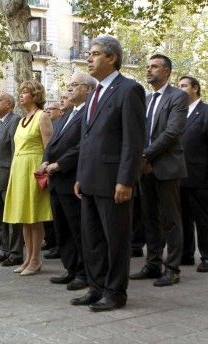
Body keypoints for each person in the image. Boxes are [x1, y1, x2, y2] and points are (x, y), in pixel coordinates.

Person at [72, 36, 145, 312]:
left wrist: (126, 179)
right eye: (89, 54)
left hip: (114, 180)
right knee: (92, 240)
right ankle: (97, 287)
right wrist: (80, 175)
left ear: (111, 58)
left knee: (115, 240)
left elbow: (133, 139)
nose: (89, 58)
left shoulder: (129, 90)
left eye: (94, 54)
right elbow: (87, 138)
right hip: (90, 179)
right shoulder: (95, 93)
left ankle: (115, 292)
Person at [130, 54, 188, 287]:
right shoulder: (144, 99)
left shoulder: (178, 97)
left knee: (171, 220)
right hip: (144, 169)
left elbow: (172, 133)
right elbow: (137, 131)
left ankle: (172, 268)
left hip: (166, 166)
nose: (148, 70)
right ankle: (152, 264)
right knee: (149, 218)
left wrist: (146, 155)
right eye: (147, 67)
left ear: (167, 71)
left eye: (154, 67)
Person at [41, 71, 96, 291]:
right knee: (62, 229)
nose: (69, 88)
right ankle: (71, 268)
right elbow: (52, 143)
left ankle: (84, 272)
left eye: (75, 84)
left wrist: (60, 164)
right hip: (55, 180)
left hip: (72, 179)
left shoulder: (89, 114)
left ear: (88, 89)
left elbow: (82, 145)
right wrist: (46, 161)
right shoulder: (66, 115)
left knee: (77, 229)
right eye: (69, 85)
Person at [3, 80, 53, 276]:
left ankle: (35, 259)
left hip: (34, 167)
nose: (20, 95)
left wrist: (44, 166)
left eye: (25, 92)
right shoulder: (23, 118)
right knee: (24, 217)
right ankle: (27, 258)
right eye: (20, 92)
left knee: (35, 217)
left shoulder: (42, 116)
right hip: (19, 168)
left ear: (35, 95)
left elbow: (49, 146)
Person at [0, 92, 23, 267]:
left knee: (12, 218)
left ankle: (16, 253)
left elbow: (14, 151)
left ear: (9, 104)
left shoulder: (15, 120)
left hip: (8, 176)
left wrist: (13, 176)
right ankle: (5, 250)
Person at [177, 76, 208, 273]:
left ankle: (206, 256)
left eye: (184, 86)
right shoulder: (178, 112)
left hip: (201, 176)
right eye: (178, 86)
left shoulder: (205, 112)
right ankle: (186, 254)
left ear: (195, 88)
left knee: (203, 218)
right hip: (178, 175)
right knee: (182, 218)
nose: (179, 89)